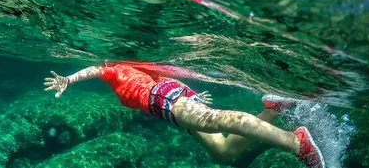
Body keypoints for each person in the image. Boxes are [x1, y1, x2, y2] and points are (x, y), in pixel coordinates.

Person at [44, 62, 325, 168]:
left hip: (163, 101)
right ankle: (272, 110)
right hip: (168, 101)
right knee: (224, 153)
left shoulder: (116, 68)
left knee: (214, 120)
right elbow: (167, 81)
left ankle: (295, 142)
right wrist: (191, 96)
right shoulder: (138, 67)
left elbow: (95, 69)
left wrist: (69, 79)